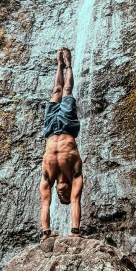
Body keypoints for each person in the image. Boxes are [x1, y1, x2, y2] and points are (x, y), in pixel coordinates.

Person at [39, 47, 83, 241]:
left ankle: (59, 64)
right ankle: (68, 64)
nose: (63, 193)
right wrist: (75, 231)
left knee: (56, 90)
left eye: (61, 196)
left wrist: (46, 233)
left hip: (50, 130)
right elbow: (76, 200)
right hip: (67, 127)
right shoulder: (75, 175)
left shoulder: (48, 176)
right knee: (66, 91)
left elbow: (45, 204)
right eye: (65, 195)